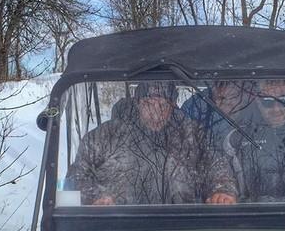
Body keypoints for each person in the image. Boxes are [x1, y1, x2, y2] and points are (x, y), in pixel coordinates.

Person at [65, 81, 237, 205]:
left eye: (162, 105)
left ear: (173, 106)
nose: (155, 113)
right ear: (137, 104)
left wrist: (222, 191)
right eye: (148, 104)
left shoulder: (193, 135)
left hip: (184, 223)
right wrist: (95, 197)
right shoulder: (107, 135)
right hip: (117, 224)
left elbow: (217, 164)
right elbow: (77, 173)